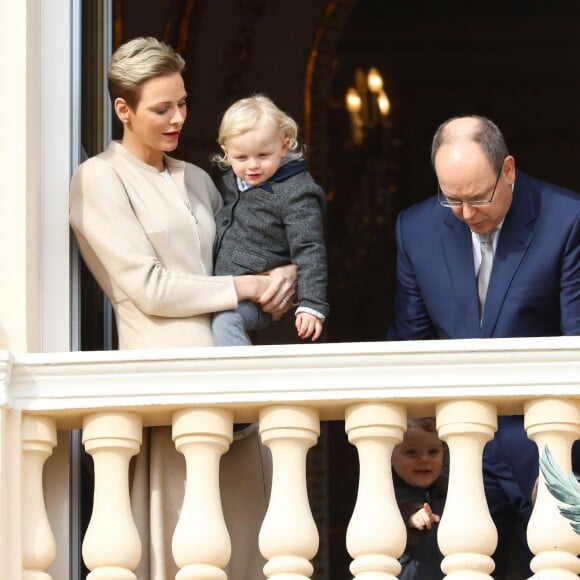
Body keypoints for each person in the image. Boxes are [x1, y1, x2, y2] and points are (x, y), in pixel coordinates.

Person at [69, 37, 297, 580]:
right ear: (123, 109)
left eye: (183, 103)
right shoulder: (99, 178)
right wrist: (244, 286)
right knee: (183, 554)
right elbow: (147, 287)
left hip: (234, 386)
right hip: (167, 393)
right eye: (161, 108)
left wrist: (280, 275)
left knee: (251, 552)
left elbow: (241, 256)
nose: (178, 119)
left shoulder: (197, 178)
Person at [387, 115, 580, 578]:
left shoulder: (566, 218)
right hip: (456, 452)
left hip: (546, 448)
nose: (466, 213)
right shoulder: (415, 229)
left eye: (477, 197)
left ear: (508, 170)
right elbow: (408, 343)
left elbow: (577, 343)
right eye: (451, 199)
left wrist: (567, 461)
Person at [210, 94, 329, 346]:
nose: (252, 166)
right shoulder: (232, 182)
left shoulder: (296, 192)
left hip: (261, 295)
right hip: (220, 286)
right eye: (241, 158)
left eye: (263, 155)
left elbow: (309, 248)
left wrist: (311, 304)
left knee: (226, 321)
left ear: (284, 146)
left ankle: (243, 382)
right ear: (226, 152)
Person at [392, 417, 448, 580]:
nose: (424, 459)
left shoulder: (449, 491)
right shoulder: (388, 493)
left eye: (433, 452)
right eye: (411, 452)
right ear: (390, 455)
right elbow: (401, 508)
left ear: (443, 453)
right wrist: (412, 516)